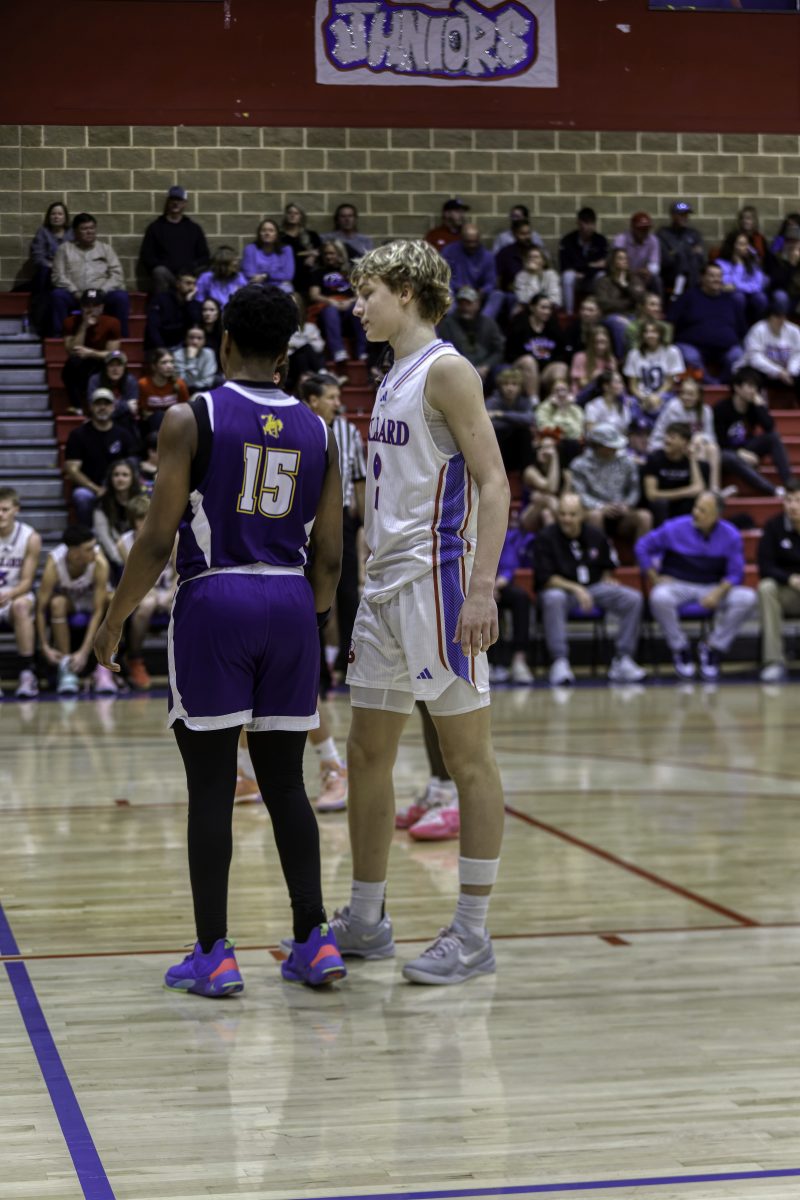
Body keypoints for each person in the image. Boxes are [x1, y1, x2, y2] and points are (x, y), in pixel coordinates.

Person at [93, 283, 346, 996]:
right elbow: (331, 557)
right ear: (286, 354)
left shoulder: (191, 415)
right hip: (291, 601)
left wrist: (113, 620)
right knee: (286, 783)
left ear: (225, 341)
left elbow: (154, 540)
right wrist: (310, 622)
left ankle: (214, 953)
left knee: (210, 786)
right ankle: (315, 940)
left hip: (216, 597)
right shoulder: (321, 430)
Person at [331, 238, 510, 984]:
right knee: (367, 754)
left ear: (405, 291)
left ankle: (471, 933)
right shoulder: (392, 375)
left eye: (366, 292)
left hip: (438, 586)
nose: (356, 306)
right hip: (384, 590)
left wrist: (482, 588)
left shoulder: (447, 370)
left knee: (467, 759)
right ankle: (366, 918)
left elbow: (494, 482)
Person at [635, 491, 757, 681]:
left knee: (747, 598)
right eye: (696, 508)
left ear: (717, 515)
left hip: (712, 588)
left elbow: (736, 574)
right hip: (680, 586)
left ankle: (713, 647)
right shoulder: (674, 527)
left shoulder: (731, 534)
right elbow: (642, 546)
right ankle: (680, 648)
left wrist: (718, 593)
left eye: (703, 510)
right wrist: (654, 577)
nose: (696, 513)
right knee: (659, 597)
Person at [534, 493, 646, 687]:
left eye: (572, 514)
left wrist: (607, 578)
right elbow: (545, 578)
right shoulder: (546, 537)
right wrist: (576, 589)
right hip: (563, 590)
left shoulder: (595, 535)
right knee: (553, 598)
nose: (566, 519)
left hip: (594, 588)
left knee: (633, 598)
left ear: (583, 515)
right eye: (562, 514)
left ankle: (623, 659)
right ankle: (560, 661)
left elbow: (607, 564)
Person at [301, 373, 366, 678]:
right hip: (305, 518)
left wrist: (363, 523)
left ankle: (348, 661)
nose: (338, 403)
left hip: (341, 518)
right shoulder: (298, 428)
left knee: (348, 592)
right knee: (309, 589)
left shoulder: (348, 431)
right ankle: (315, 665)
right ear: (313, 400)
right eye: (332, 397)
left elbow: (359, 479)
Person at [37, 525, 116, 696]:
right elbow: (40, 608)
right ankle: (66, 667)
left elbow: (97, 611)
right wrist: (44, 646)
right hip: (71, 602)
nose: (95, 552)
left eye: (94, 546)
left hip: (95, 601)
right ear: (74, 553)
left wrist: (84, 652)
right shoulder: (54, 563)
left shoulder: (99, 563)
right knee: (56, 603)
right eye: (89, 549)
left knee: (114, 602)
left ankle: (104, 667)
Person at [116, 494, 176, 690]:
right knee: (146, 606)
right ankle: (134, 657)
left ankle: (188, 660)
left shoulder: (173, 536)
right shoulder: (124, 543)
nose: (146, 522)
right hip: (142, 589)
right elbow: (133, 577)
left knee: (184, 606)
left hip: (169, 588)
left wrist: (170, 593)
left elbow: (180, 572)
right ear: (132, 521)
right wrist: (149, 593)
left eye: (149, 517)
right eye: (140, 518)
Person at [63, 389, 140, 526]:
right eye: (98, 404)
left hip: (119, 487)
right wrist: (97, 489)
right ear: (91, 407)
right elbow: (72, 469)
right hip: (91, 488)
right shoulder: (78, 435)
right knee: (82, 496)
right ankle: (88, 535)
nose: (102, 407)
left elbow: (132, 464)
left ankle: (129, 534)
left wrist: (118, 488)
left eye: (107, 404)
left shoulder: (124, 434)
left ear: (113, 407)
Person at [567, 422, 652, 545]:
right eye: (610, 446)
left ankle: (642, 556)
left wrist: (626, 504)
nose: (615, 449)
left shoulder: (627, 462)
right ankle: (600, 554)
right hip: (593, 511)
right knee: (595, 516)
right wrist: (601, 506)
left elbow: (634, 489)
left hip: (621, 511)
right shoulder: (580, 464)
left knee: (644, 517)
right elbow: (579, 493)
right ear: (598, 446)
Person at [713, 367, 792, 497]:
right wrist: (739, 453)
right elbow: (719, 442)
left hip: (747, 448)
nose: (753, 390)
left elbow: (769, 427)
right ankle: (772, 490)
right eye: (749, 386)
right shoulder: (721, 409)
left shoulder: (753, 407)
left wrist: (760, 406)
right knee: (728, 456)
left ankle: (790, 484)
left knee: (773, 437)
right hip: (726, 454)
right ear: (737, 387)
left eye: (755, 387)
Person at [50, 212, 129, 336]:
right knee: (57, 295)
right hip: (75, 295)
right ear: (75, 232)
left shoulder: (105, 249)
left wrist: (102, 291)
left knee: (121, 297)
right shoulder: (64, 249)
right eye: (84, 229)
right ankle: (59, 338)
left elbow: (117, 275)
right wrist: (75, 292)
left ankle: (121, 338)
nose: (89, 232)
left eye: (92, 228)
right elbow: (58, 276)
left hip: (102, 295)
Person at [669, 262, 745, 382]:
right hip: (693, 346)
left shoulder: (731, 300)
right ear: (702, 278)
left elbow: (741, 329)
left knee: (738, 355)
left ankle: (723, 384)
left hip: (725, 349)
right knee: (690, 356)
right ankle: (711, 383)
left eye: (719, 276)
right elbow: (671, 321)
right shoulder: (688, 297)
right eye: (712, 276)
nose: (716, 280)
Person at [648, 376, 720, 499]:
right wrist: (695, 440)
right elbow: (675, 438)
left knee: (712, 448)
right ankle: (700, 491)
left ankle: (714, 490)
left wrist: (700, 437)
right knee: (698, 447)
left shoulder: (706, 411)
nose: (686, 397)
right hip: (665, 445)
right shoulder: (674, 408)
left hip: (690, 447)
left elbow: (711, 437)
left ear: (699, 396)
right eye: (684, 393)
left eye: (691, 394)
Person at [0, 487, 42, 699]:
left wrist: (9, 594)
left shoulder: (30, 537)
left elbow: (27, 581)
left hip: (17, 593)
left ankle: (27, 672)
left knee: (20, 606)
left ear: (16, 509)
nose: (0, 514)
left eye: (5, 509)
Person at [757, 481, 800, 683]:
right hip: (788, 593)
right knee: (766, 588)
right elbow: (765, 566)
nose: (792, 506)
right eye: (788, 500)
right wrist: (790, 579)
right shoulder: (774, 526)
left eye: (798, 500)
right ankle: (774, 661)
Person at [138, 187, 210, 293]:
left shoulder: (194, 229)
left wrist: (191, 267)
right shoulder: (156, 228)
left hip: (190, 276)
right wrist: (166, 265)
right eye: (173, 199)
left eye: (179, 200)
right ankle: (163, 302)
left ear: (184, 203)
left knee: (207, 272)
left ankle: (196, 301)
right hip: (168, 276)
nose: (175, 203)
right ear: (168, 202)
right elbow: (147, 256)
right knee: (159, 271)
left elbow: (204, 256)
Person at [61, 289, 122, 413]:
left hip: (100, 361)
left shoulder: (112, 323)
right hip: (81, 363)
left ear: (102, 307)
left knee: (114, 364)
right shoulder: (70, 322)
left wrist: (90, 353)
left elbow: (112, 354)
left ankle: (106, 404)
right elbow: (72, 351)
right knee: (71, 364)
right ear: (81, 307)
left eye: (95, 306)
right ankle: (77, 406)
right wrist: (84, 326)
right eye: (87, 306)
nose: (91, 309)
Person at [489, 523, 535, 685]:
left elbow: (509, 566)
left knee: (521, 597)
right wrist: (484, 587)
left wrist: (496, 585)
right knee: (485, 602)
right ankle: (487, 662)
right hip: (473, 584)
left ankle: (519, 660)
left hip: (498, 584)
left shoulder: (501, 532)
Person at [308, 239, 367, 363]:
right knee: (330, 311)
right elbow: (314, 295)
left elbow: (360, 293)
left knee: (357, 309)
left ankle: (362, 351)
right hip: (328, 308)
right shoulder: (318, 272)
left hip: (348, 306)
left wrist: (349, 301)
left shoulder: (350, 272)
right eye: (326, 254)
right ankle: (338, 351)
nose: (328, 257)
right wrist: (331, 302)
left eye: (332, 253)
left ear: (340, 254)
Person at [642, 421, 708, 525]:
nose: (667, 440)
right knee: (660, 503)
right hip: (660, 507)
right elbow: (651, 495)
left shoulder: (691, 461)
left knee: (694, 502)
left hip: (681, 506)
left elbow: (699, 489)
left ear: (685, 442)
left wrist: (692, 458)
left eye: (672, 437)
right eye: (666, 436)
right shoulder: (654, 459)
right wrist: (686, 492)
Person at [436, 286, 504, 385]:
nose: (465, 307)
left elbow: (498, 350)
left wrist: (486, 366)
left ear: (478, 304)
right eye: (461, 303)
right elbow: (443, 350)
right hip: (458, 366)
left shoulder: (489, 324)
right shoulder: (447, 324)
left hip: (485, 367)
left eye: (468, 303)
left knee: (503, 372)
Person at [623, 319, 685, 428]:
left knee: (671, 406)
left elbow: (670, 382)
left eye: (654, 332)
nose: (650, 335)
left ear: (661, 334)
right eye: (646, 332)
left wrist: (657, 396)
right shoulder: (634, 354)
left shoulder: (672, 351)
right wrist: (644, 398)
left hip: (664, 394)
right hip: (640, 396)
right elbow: (633, 385)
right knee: (629, 407)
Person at [92, 459, 141, 583]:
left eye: (125, 475)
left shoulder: (142, 501)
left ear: (132, 478)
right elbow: (104, 538)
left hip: (139, 550)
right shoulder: (102, 503)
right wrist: (123, 560)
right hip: (114, 555)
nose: (120, 479)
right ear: (111, 478)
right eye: (116, 475)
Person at [28, 201, 73, 331]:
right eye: (53, 214)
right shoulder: (43, 232)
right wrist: (53, 266)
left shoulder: (72, 233)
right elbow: (38, 256)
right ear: (49, 216)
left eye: (60, 214)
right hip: (48, 272)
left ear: (65, 217)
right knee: (44, 272)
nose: (56, 217)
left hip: (68, 273)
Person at [741, 300, 800, 396]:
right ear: (769, 317)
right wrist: (778, 372)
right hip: (764, 372)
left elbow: (798, 354)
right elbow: (754, 358)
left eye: (783, 317)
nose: (781, 320)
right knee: (751, 376)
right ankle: (758, 403)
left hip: (787, 372)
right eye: (777, 317)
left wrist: (791, 371)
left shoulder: (794, 331)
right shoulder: (757, 330)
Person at [484, 365, 535, 472]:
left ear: (520, 387)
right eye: (506, 384)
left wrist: (501, 415)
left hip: (518, 449)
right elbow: (490, 425)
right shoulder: (492, 401)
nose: (510, 388)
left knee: (524, 432)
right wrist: (516, 421)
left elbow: (530, 419)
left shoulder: (524, 401)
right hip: (500, 447)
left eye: (514, 384)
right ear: (500, 386)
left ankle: (527, 470)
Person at [558, 207, 608, 314]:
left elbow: (603, 265)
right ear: (579, 223)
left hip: (591, 279)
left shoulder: (600, 241)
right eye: (586, 223)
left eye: (592, 223)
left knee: (602, 276)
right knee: (568, 276)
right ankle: (569, 313)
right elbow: (565, 265)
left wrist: (584, 269)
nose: (589, 227)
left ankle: (599, 312)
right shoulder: (568, 241)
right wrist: (591, 265)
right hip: (575, 280)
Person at [716, 231, 770, 325]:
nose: (745, 248)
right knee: (738, 297)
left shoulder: (753, 261)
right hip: (733, 297)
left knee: (761, 298)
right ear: (732, 246)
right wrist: (739, 266)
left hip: (751, 294)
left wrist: (737, 286)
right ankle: (741, 328)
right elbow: (727, 285)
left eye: (746, 244)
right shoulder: (721, 263)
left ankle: (758, 328)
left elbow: (757, 285)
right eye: (741, 244)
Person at [144, 270, 203, 350]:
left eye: (194, 284)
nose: (191, 287)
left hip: (182, 347)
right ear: (178, 284)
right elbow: (153, 327)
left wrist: (189, 303)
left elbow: (196, 324)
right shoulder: (160, 299)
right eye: (188, 283)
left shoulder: (193, 304)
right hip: (161, 345)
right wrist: (161, 348)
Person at [657, 201, 706, 296]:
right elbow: (667, 259)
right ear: (673, 215)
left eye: (686, 215)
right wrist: (687, 252)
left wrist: (676, 252)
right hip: (671, 273)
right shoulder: (663, 234)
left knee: (692, 261)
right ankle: (691, 295)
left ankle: (683, 293)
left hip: (692, 272)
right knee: (682, 259)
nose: (684, 218)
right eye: (681, 215)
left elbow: (701, 257)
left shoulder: (693, 234)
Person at [442, 224, 495, 308]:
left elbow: (491, 282)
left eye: (475, 241)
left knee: (497, 295)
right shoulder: (449, 251)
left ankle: (485, 316)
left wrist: (482, 291)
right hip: (455, 292)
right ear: (461, 239)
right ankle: (454, 315)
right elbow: (443, 276)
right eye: (468, 242)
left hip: (478, 294)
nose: (472, 245)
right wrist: (458, 287)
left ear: (479, 239)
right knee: (446, 292)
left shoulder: (487, 256)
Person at [138, 348, 190, 433]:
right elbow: (144, 413)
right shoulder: (143, 384)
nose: (169, 366)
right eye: (164, 363)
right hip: (151, 428)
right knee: (158, 415)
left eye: (171, 362)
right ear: (154, 366)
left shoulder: (179, 384)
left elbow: (185, 411)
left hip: (175, 426)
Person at [279, 203, 322, 295]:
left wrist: (313, 257)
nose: (292, 215)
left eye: (296, 213)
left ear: (301, 216)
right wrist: (308, 253)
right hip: (289, 275)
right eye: (290, 213)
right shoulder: (280, 237)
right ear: (286, 215)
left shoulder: (311, 235)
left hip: (308, 276)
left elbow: (320, 250)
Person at [242, 218, 295, 292]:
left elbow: (288, 275)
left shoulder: (286, 250)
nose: (267, 233)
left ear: (276, 234)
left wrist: (266, 276)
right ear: (259, 234)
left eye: (271, 230)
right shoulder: (250, 249)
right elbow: (249, 274)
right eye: (263, 230)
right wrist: (276, 275)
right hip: (258, 286)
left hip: (280, 287)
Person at [613, 212, 661, 292]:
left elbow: (655, 265)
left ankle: (657, 300)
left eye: (646, 229)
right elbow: (615, 264)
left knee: (656, 280)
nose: (644, 232)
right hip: (624, 273)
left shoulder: (653, 240)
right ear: (633, 228)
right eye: (641, 229)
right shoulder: (621, 239)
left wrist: (648, 271)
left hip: (643, 276)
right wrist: (634, 272)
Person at [584, 369, 634, 437]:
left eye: (621, 383)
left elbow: (625, 430)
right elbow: (590, 429)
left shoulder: (623, 406)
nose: (621, 386)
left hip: (619, 441)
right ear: (606, 386)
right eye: (617, 382)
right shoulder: (593, 405)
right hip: (599, 442)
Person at [172, 326, 219, 394]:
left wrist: (195, 385)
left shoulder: (209, 353)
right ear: (186, 339)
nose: (195, 342)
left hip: (205, 389)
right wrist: (191, 359)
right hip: (184, 391)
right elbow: (183, 382)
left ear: (204, 341)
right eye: (191, 338)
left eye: (199, 338)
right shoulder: (178, 355)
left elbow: (208, 381)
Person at [512, 245, 562, 310]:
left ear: (543, 261)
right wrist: (532, 274)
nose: (532, 259)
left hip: (548, 309)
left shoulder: (551, 275)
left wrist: (541, 304)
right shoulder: (521, 276)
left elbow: (555, 298)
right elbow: (523, 299)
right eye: (530, 257)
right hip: (528, 309)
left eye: (536, 257)